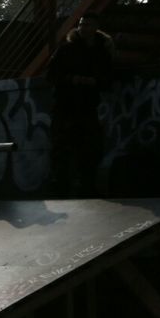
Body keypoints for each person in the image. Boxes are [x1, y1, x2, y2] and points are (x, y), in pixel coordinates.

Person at [48, 13, 113, 196]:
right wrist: (73, 79)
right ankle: (63, 188)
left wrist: (94, 82)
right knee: (63, 151)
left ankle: (85, 188)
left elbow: (108, 79)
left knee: (88, 152)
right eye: (82, 25)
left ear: (95, 28)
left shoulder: (102, 52)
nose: (83, 28)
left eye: (87, 25)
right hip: (66, 107)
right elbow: (51, 75)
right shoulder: (66, 50)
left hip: (85, 107)